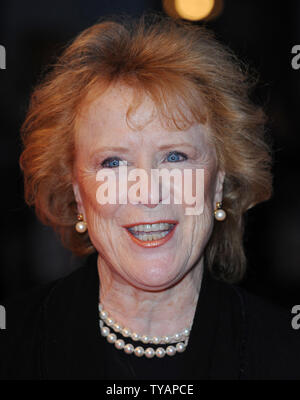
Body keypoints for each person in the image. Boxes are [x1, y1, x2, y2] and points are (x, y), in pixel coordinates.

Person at [0, 13, 299, 380]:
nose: (148, 191)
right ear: (77, 193)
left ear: (218, 182)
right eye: (113, 162)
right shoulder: (13, 345)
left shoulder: (285, 353)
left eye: (175, 157)